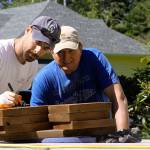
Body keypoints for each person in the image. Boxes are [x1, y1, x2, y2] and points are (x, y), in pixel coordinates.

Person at [30, 26, 139, 143]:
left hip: (102, 135)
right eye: (60, 52)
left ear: (80, 48)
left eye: (71, 51)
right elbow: (35, 122)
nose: (66, 58)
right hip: (64, 140)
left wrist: (122, 135)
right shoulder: (43, 79)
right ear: (51, 51)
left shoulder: (95, 59)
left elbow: (118, 97)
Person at [0, 16, 60, 108]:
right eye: (38, 42)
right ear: (28, 30)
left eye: (46, 48)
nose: (38, 50)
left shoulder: (32, 64)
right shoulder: (1, 52)